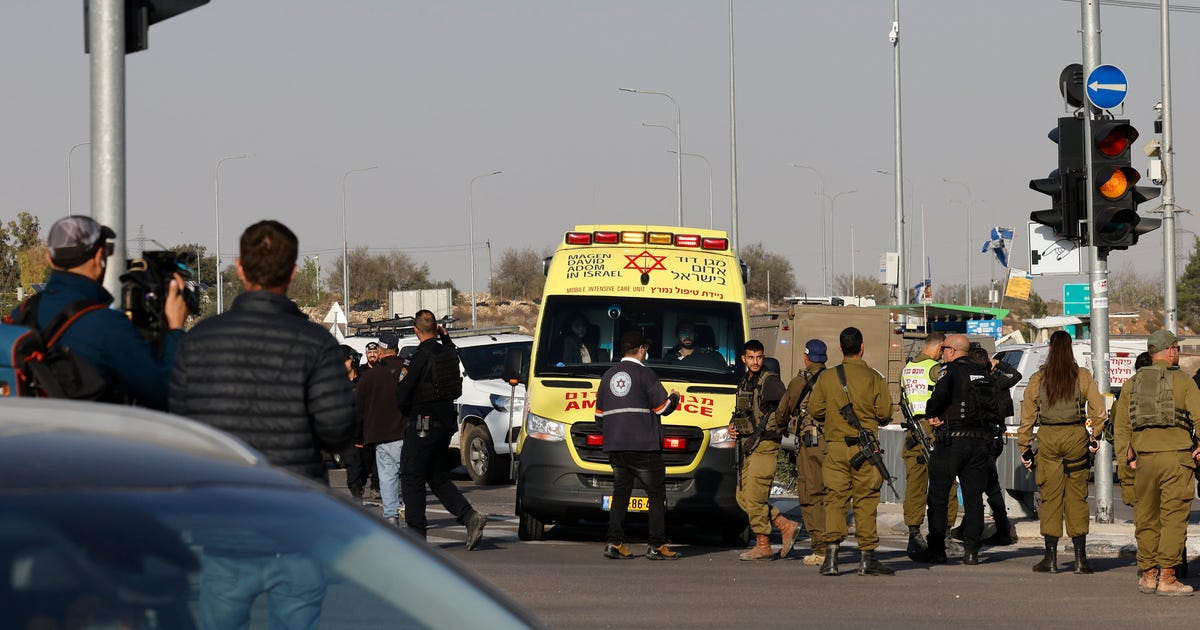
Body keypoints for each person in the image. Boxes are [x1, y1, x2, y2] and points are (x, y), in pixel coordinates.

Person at [169, 220, 355, 482]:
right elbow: (338, 431)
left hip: (217, 495)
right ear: (292, 272)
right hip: (294, 495)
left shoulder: (197, 341)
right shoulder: (316, 343)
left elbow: (179, 429)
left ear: (240, 268)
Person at [14, 215, 187, 409]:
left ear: (49, 258)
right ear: (99, 257)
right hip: (91, 437)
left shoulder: (22, 312)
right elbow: (166, 393)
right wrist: (175, 330)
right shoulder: (108, 326)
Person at [1112, 330, 1200, 596]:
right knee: (1173, 518)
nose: (1178, 354)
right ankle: (1168, 578)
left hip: (1143, 459)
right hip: (1176, 458)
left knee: (1146, 517)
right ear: (1170, 350)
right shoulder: (1184, 381)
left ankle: (1148, 575)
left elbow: (1121, 426)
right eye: (1177, 349)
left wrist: (1125, 458)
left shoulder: (1132, 383)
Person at [396, 309, 489, 549]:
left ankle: (416, 541)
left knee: (411, 477)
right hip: (445, 425)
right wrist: (445, 337)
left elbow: (402, 394)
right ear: (436, 329)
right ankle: (469, 517)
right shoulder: (448, 353)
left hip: (422, 425)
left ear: (416, 331)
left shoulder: (419, 357)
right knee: (436, 477)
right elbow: (450, 349)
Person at [808, 326, 895, 576]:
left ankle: (831, 558)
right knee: (866, 501)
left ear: (840, 347)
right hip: (866, 451)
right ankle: (867, 558)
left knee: (835, 500)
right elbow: (885, 414)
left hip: (835, 448)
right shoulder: (874, 378)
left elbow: (816, 411)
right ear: (862, 347)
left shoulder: (827, 377)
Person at [1016, 330, 1105, 574]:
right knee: (1076, 496)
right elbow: (1099, 412)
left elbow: (1027, 418)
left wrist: (1025, 448)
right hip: (1076, 437)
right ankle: (1080, 559)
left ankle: (1051, 558)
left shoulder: (1038, 379)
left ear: (1051, 349)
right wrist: (1093, 437)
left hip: (1048, 439)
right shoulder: (1082, 376)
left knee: (1050, 497)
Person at [910, 334, 997, 566]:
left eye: (945, 347)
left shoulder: (949, 371)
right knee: (973, 497)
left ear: (951, 350)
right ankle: (972, 551)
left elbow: (937, 400)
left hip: (952, 441)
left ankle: (936, 549)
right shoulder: (983, 373)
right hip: (979, 442)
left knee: (938, 495)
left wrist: (932, 414)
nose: (943, 352)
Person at [594, 331, 681, 560]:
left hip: (615, 447)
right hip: (643, 447)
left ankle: (614, 543)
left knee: (620, 493)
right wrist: (675, 398)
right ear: (642, 349)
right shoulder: (645, 374)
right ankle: (656, 545)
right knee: (655, 494)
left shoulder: (608, 376)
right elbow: (662, 408)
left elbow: (599, 417)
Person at [728, 339, 801, 561]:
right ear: (743, 358)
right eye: (751, 357)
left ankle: (763, 543)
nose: (756, 361)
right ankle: (785, 525)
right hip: (749, 445)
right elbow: (743, 411)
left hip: (766, 444)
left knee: (755, 496)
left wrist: (778, 425)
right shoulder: (745, 381)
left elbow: (788, 403)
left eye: (759, 357)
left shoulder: (770, 382)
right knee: (742, 497)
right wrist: (733, 426)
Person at [898, 332, 958, 554]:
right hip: (933, 428)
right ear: (940, 347)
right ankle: (945, 534)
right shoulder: (935, 369)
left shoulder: (908, 368)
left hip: (913, 430)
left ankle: (914, 534)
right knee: (946, 482)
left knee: (915, 484)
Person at [775, 338, 829, 565]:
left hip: (812, 444)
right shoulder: (835, 378)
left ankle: (820, 549)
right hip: (835, 444)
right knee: (831, 495)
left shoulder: (801, 380)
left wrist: (780, 428)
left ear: (806, 358)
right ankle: (832, 542)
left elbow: (783, 411)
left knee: (810, 493)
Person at [967, 346, 1019, 547]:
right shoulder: (994, 379)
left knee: (985, 484)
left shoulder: (985, 380)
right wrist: (999, 364)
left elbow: (1016, 375)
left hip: (985, 438)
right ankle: (993, 527)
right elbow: (1015, 375)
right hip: (992, 437)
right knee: (987, 483)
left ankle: (996, 529)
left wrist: (998, 364)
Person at [359, 332, 408, 526]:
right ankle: (412, 513)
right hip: (405, 431)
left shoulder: (371, 375)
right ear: (396, 348)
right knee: (410, 477)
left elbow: (358, 406)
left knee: (387, 478)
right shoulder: (407, 369)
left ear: (379, 350)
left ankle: (391, 517)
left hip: (380, 435)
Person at [1115, 352, 1153, 507]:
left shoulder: (1129, 385)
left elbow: (1121, 426)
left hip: (1136, 451)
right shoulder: (1171, 382)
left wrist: (1126, 459)